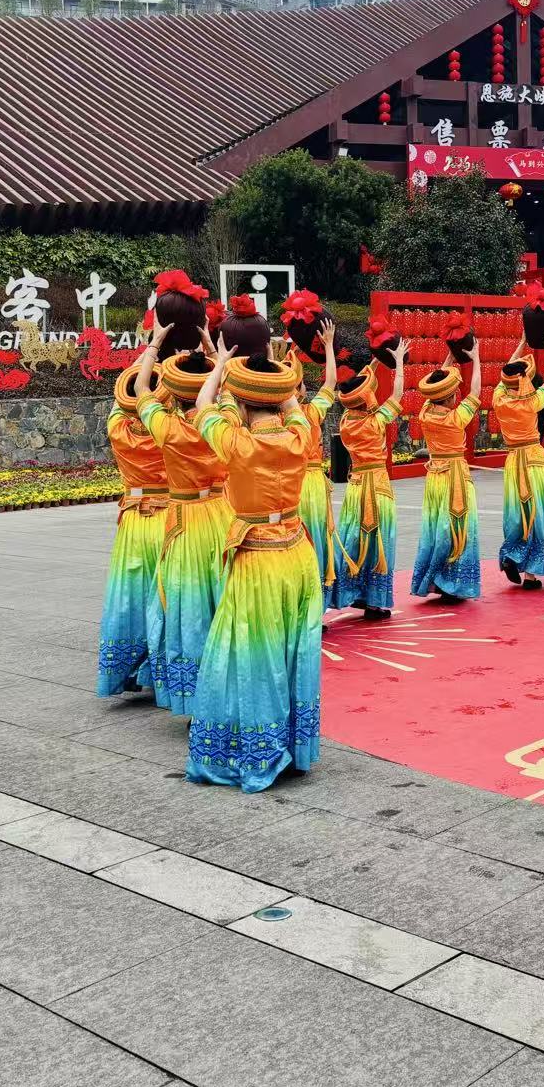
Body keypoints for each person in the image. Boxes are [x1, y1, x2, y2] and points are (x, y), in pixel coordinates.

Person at [183, 345, 323, 792]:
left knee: (251, 652)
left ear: (241, 404)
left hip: (257, 557)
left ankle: (257, 750)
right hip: (298, 554)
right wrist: (278, 381)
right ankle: (293, 747)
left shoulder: (237, 442)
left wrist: (222, 364)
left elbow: (204, 405)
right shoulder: (300, 436)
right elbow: (295, 405)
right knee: (294, 648)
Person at [135, 328, 234, 713]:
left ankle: (192, 693)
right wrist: (216, 355)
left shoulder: (168, 428)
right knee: (223, 596)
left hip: (186, 521)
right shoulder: (222, 421)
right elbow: (224, 390)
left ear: (174, 393)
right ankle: (224, 682)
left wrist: (156, 345)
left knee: (188, 602)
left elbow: (142, 389)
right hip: (223, 514)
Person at [97, 354, 171, 699]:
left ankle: (126, 669)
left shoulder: (117, 428)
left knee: (130, 594)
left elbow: (121, 400)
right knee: (164, 596)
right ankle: (157, 670)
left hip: (132, 523)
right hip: (167, 518)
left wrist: (151, 349)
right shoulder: (167, 430)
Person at [332, 343, 407, 617]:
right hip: (377, 484)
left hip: (355, 486)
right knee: (379, 540)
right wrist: (397, 361)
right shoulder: (375, 422)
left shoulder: (345, 421)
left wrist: (375, 361)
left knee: (354, 537)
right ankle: (374, 601)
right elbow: (397, 393)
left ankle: (351, 592)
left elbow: (357, 387)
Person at [410, 352, 483, 600]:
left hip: (434, 479)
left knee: (435, 527)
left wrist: (447, 361)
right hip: (455, 478)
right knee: (456, 526)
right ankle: (451, 582)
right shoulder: (455, 418)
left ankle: (434, 580)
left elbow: (434, 392)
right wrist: (476, 359)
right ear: (451, 397)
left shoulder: (425, 414)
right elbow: (475, 394)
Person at [493, 332, 544, 589]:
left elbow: (506, 374)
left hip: (513, 460)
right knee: (538, 513)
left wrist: (521, 343)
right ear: (524, 380)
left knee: (516, 512)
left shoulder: (500, 399)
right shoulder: (531, 401)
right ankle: (531, 574)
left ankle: (513, 554)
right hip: (534, 458)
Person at [296, 321, 339, 606]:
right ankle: (317, 604)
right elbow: (330, 384)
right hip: (310, 485)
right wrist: (328, 347)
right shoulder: (310, 414)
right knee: (317, 541)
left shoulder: (268, 422)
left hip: (288, 486)